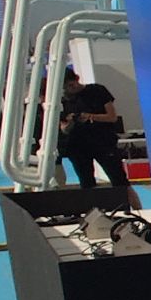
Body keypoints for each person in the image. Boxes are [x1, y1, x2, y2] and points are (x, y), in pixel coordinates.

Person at [60, 66, 138, 205]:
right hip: (78, 146)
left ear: (77, 79)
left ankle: (136, 208)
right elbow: (64, 129)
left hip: (103, 142)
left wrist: (91, 116)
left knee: (120, 181)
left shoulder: (97, 90)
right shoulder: (64, 101)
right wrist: (72, 122)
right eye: (66, 87)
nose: (70, 89)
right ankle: (94, 211)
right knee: (86, 183)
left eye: (71, 85)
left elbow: (112, 117)